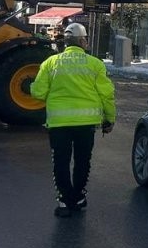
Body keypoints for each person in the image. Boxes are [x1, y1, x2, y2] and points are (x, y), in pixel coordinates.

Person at [30, 23, 116, 218]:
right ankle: (77, 197)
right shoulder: (95, 64)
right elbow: (107, 94)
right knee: (82, 161)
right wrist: (109, 119)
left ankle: (64, 200)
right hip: (86, 124)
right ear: (82, 40)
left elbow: (38, 92)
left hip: (59, 124)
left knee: (60, 161)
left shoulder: (51, 63)